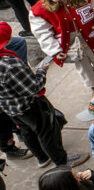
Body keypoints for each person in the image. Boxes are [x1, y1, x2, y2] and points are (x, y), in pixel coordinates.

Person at [0, 22, 85, 168]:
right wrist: (41, 70)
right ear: (7, 41)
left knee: (27, 131)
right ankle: (62, 161)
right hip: (28, 105)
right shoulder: (9, 64)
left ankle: (42, 157)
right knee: (47, 131)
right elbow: (33, 88)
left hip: (10, 107)